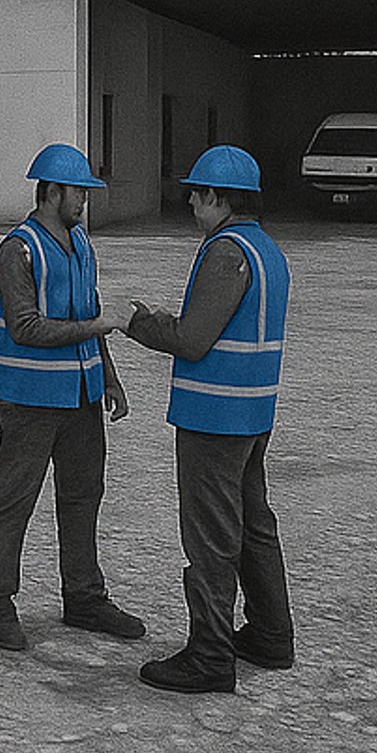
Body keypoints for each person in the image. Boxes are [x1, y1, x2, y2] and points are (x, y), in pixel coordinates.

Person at [122, 146, 295, 695]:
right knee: (252, 524)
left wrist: (139, 324)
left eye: (197, 194)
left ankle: (211, 654)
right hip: (251, 410)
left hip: (214, 416)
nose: (191, 203)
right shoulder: (266, 249)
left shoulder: (226, 252)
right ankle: (270, 634)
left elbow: (194, 340)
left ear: (219, 199)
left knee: (211, 537)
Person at [0, 143, 146, 652]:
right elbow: (25, 327)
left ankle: (84, 597)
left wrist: (109, 376)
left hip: (80, 395)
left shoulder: (81, 245)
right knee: (14, 501)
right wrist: (98, 326)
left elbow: (92, 314)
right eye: (79, 192)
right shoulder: (18, 250)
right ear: (51, 192)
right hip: (29, 399)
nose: (85, 202)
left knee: (82, 498)